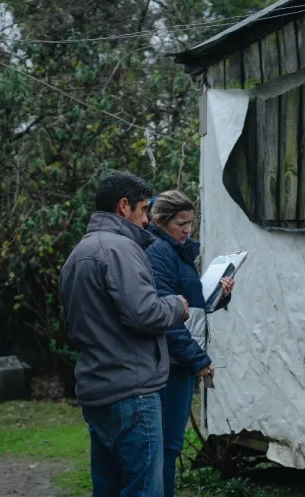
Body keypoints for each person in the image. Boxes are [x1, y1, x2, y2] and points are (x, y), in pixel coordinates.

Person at [60, 170, 189, 497]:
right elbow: (144, 313)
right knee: (144, 490)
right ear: (123, 206)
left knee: (107, 489)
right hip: (132, 394)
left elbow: (73, 326)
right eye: (143, 209)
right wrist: (176, 305)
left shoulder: (78, 254)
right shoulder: (120, 249)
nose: (146, 220)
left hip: (97, 391)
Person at [144, 190, 234, 497]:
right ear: (160, 221)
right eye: (181, 224)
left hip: (181, 361)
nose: (188, 230)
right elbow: (165, 317)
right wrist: (198, 359)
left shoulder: (178, 251)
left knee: (169, 446)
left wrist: (219, 295)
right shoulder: (158, 253)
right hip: (170, 362)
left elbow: (190, 307)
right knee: (165, 447)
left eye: (191, 223)